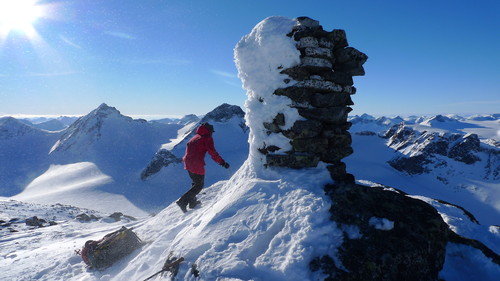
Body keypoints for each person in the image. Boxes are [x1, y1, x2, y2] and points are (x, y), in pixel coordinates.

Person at [176, 122, 230, 212]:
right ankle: (182, 201)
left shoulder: (196, 137)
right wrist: (222, 162)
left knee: (195, 182)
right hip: (196, 163)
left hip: (188, 162)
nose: (212, 133)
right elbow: (212, 153)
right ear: (209, 131)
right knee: (199, 185)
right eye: (212, 131)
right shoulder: (207, 138)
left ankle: (192, 202)